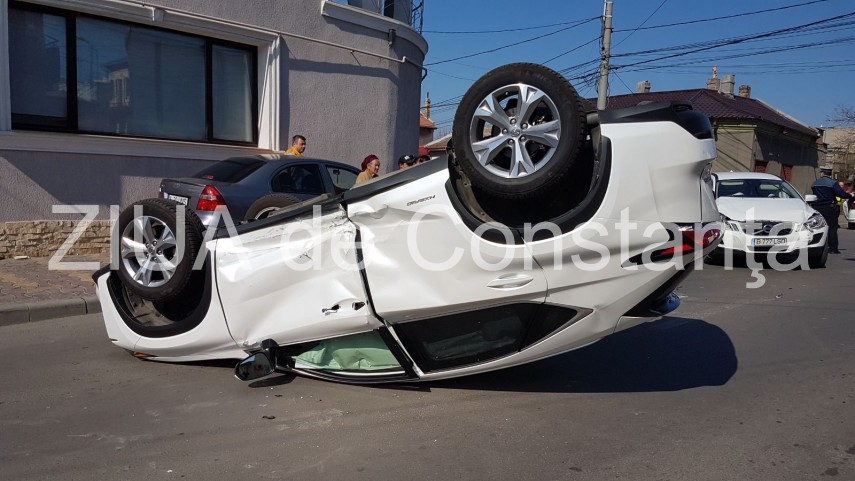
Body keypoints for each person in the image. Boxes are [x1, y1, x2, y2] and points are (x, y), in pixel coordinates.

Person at [811, 165, 852, 254]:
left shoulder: (815, 183)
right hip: (829, 208)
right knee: (832, 228)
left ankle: (816, 245)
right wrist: (850, 195)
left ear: (822, 173)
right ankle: (832, 248)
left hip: (817, 208)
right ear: (830, 173)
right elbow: (841, 194)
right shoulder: (833, 183)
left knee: (818, 227)